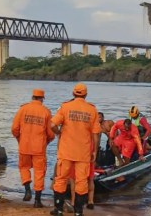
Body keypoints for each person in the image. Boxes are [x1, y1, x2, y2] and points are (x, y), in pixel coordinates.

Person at [50, 82, 101, 216]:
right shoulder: (92, 110)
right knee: (81, 182)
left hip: (66, 151)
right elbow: (96, 134)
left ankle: (58, 209)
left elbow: (52, 125)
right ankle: (78, 212)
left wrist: (59, 133)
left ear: (73, 93)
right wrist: (95, 151)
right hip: (83, 153)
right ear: (86, 95)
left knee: (60, 179)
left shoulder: (65, 107)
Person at [11, 89, 55, 208]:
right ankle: (37, 200)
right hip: (39, 148)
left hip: (24, 146)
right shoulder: (46, 112)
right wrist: (47, 142)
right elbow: (51, 134)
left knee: (24, 167)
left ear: (32, 97)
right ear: (42, 98)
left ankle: (27, 190)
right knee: (39, 172)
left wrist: (20, 139)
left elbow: (14, 128)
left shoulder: (23, 109)